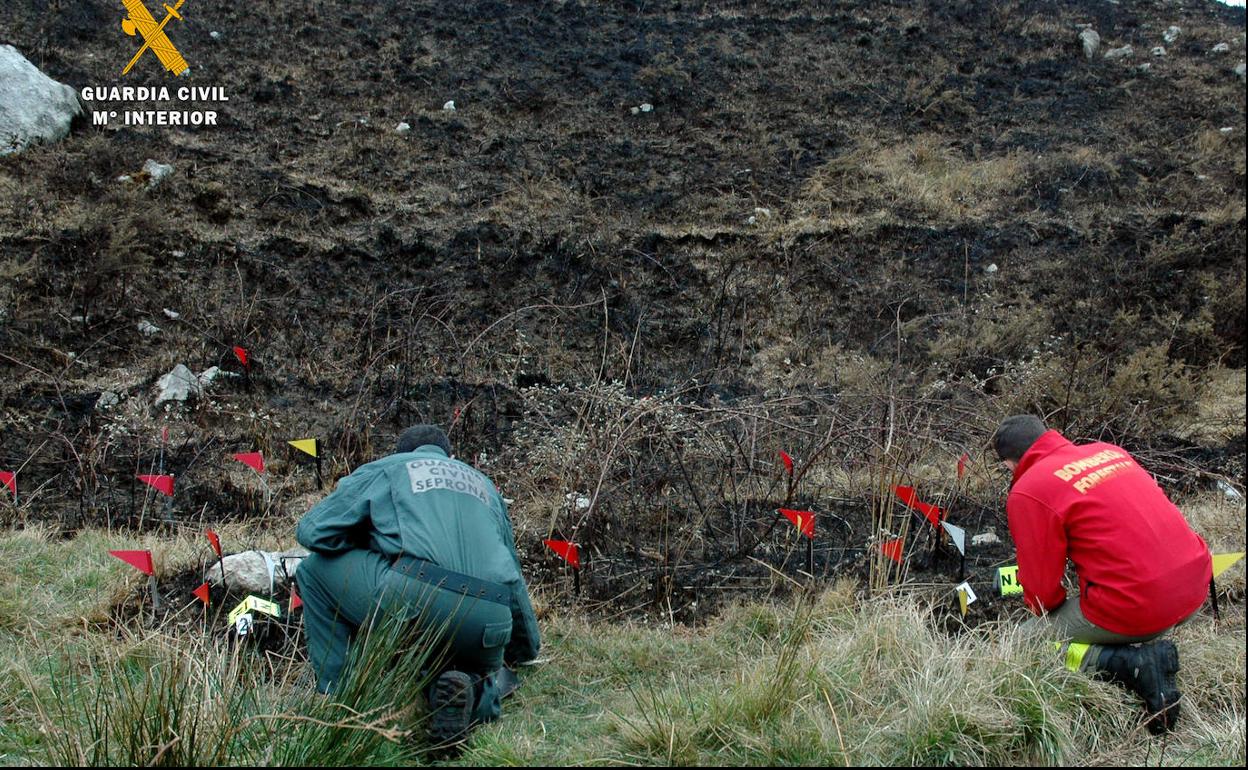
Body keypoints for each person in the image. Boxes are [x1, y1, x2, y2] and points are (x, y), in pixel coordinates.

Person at [294, 424, 540, 746]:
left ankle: (339, 700)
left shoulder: (390, 468)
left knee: (313, 571)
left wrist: (374, 542)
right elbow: (512, 577)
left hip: (415, 600)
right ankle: (476, 695)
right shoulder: (485, 486)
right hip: (489, 618)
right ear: (451, 457)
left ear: (402, 454)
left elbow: (313, 533)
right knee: (464, 656)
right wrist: (524, 649)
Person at [992, 415, 1211, 733]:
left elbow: (1041, 595)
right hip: (1195, 585)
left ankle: (1132, 665)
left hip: (1139, 605)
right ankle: (1130, 646)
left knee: (1023, 641)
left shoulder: (1029, 489)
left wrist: (1047, 609)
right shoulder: (1109, 451)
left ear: (1010, 463)